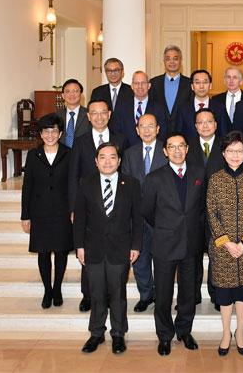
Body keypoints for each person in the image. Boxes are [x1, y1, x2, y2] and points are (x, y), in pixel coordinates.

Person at [73, 142, 143, 355]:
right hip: (92, 249)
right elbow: (79, 219)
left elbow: (137, 219)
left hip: (120, 248)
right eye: (103, 157)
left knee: (117, 293)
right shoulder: (86, 183)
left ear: (119, 161)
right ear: (96, 161)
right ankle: (96, 333)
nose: (107, 161)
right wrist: (79, 246)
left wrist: (136, 246)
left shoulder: (131, 183)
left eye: (112, 157)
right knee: (96, 293)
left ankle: (118, 334)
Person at [142, 132, 206, 356]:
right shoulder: (154, 177)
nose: (177, 150)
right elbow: (148, 211)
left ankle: (184, 331)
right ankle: (165, 335)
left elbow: (202, 209)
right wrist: (165, 227)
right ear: (165, 151)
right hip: (165, 243)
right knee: (163, 294)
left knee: (188, 292)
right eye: (172, 147)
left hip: (191, 243)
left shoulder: (199, 173)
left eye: (181, 146)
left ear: (187, 149)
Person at [68, 99, 130, 312]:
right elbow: (73, 176)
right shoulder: (80, 141)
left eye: (103, 112)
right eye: (94, 113)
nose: (99, 117)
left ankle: (113, 296)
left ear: (109, 114)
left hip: (114, 206)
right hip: (89, 207)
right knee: (89, 253)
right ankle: (88, 295)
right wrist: (73, 208)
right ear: (88, 116)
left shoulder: (121, 139)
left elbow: (126, 173)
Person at [206, 131, 243, 356]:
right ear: (223, 153)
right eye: (231, 151)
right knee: (225, 294)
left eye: (239, 151)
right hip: (223, 249)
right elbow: (211, 213)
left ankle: (240, 332)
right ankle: (225, 333)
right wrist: (228, 243)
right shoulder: (216, 178)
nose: (235, 155)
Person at [20, 113, 72, 309]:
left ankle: (57, 288)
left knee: (60, 252)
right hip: (39, 212)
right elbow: (27, 187)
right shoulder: (34, 155)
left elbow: (72, 185)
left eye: (54, 131)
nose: (50, 135)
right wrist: (25, 215)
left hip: (62, 211)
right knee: (43, 253)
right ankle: (47, 290)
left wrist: (74, 210)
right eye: (46, 131)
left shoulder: (69, 153)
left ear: (59, 134)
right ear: (41, 134)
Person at [120, 113, 169, 313]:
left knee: (162, 258)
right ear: (137, 130)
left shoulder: (167, 151)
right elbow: (124, 185)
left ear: (158, 129)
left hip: (162, 215)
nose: (147, 130)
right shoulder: (130, 154)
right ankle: (145, 294)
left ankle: (162, 294)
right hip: (137, 215)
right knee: (139, 258)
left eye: (151, 126)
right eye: (143, 126)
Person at [185, 107, 227, 309]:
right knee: (192, 255)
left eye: (208, 121)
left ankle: (217, 294)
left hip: (219, 211)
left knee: (217, 254)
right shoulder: (186, 146)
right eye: (200, 122)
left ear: (215, 125)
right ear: (195, 126)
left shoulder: (225, 145)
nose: (204, 125)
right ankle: (192, 295)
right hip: (192, 211)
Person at [111, 71, 166, 145]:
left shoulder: (159, 108)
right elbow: (116, 132)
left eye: (143, 83)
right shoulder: (121, 107)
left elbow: (162, 133)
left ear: (149, 86)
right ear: (132, 86)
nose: (140, 86)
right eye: (136, 83)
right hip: (127, 153)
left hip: (151, 152)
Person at [148, 45, 192, 131]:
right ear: (164, 61)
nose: (172, 62)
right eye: (168, 59)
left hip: (183, 132)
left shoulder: (189, 83)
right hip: (159, 133)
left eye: (175, 58)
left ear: (181, 61)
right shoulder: (154, 83)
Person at [175, 70, 230, 138]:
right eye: (197, 82)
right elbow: (179, 136)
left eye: (205, 82)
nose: (201, 86)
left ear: (210, 85)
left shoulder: (220, 108)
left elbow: (224, 135)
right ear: (192, 86)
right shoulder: (182, 109)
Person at [54, 79, 91, 147]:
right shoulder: (56, 116)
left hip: (83, 155)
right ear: (63, 95)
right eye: (68, 91)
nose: (71, 94)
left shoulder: (89, 114)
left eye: (75, 91)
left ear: (81, 94)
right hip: (62, 155)